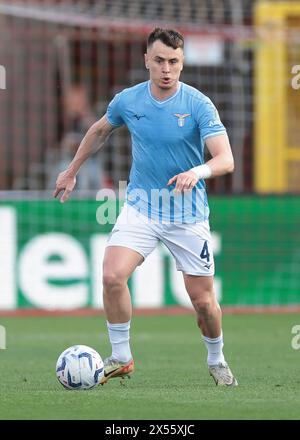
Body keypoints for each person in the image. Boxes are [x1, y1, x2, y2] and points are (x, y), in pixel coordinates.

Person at [54, 28, 238, 387]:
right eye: (159, 61)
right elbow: (99, 131)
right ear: (146, 61)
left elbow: (225, 159)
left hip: (187, 214)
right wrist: (71, 170)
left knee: (203, 303)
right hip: (142, 206)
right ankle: (121, 357)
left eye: (173, 62)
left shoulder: (198, 104)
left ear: (182, 63)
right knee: (111, 276)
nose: (166, 69)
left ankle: (216, 358)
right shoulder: (129, 101)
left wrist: (197, 171)